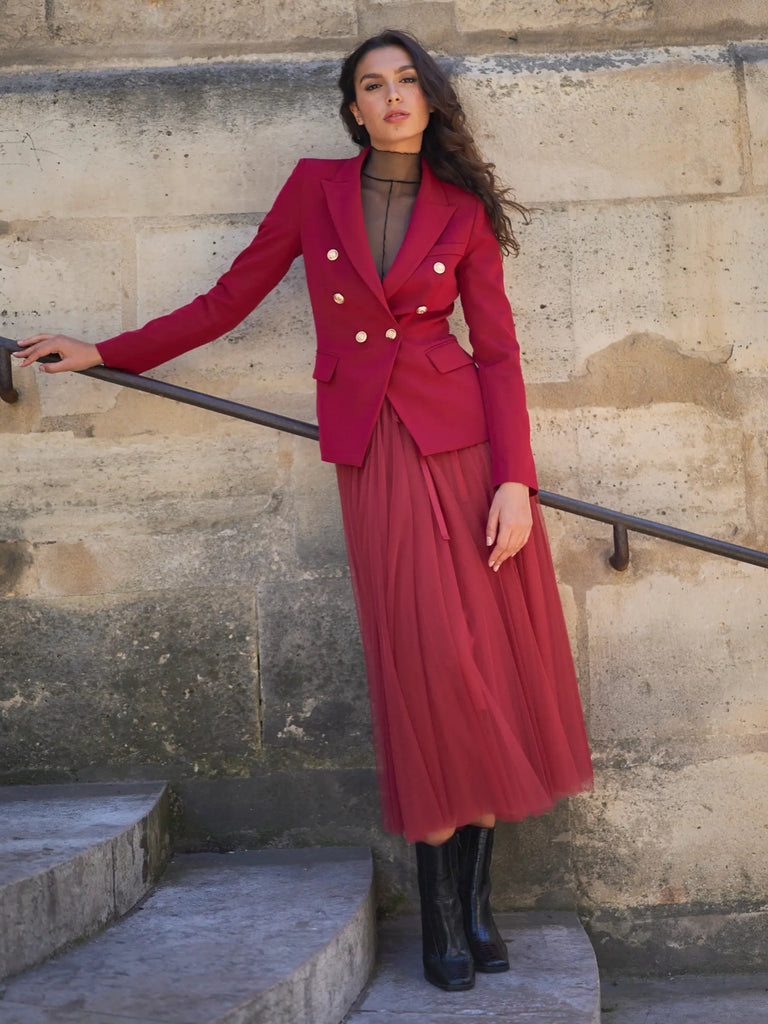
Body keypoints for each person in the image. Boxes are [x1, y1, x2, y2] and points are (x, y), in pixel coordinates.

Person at [16, 29, 593, 993]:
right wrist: (111, 351)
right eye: (374, 85)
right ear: (353, 108)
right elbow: (229, 297)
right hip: (374, 455)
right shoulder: (313, 191)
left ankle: (477, 908)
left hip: (465, 456)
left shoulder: (461, 209)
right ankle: (444, 918)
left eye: (408, 80)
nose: (393, 95)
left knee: (483, 666)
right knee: (430, 671)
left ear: (431, 99)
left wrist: (516, 483)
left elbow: (497, 352)